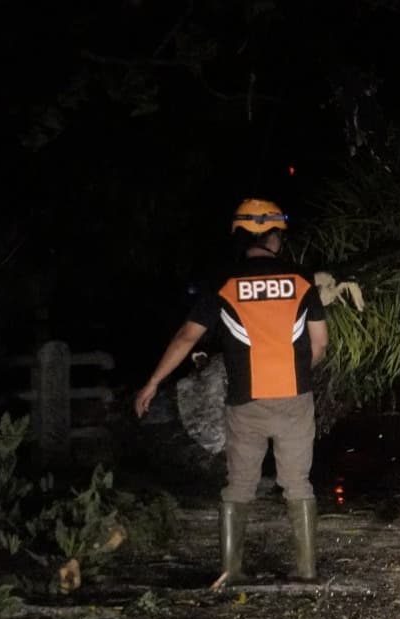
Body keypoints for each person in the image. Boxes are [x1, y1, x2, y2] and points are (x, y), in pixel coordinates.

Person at [135, 198, 328, 584]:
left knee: (239, 484)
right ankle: (306, 570)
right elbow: (320, 343)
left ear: (239, 236)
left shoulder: (223, 284)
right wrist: (295, 375)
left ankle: (231, 570)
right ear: (275, 237)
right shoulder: (302, 280)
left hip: (245, 401)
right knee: (298, 483)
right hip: (294, 399)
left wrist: (153, 382)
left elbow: (187, 336)